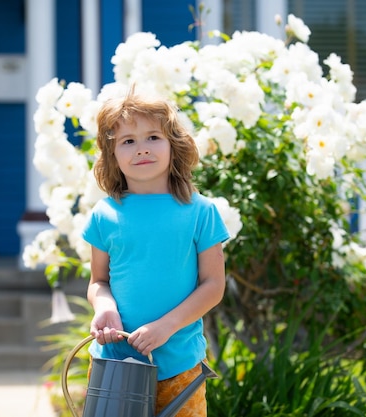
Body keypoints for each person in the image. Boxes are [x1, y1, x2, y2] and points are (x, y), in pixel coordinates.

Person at [82, 89, 229, 416]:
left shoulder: (200, 212)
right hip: (114, 365)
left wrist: (167, 326)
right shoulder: (104, 215)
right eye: (128, 141)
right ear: (112, 154)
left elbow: (213, 285)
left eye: (152, 136)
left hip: (179, 365)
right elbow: (98, 281)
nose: (142, 148)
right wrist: (103, 306)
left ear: (174, 144)